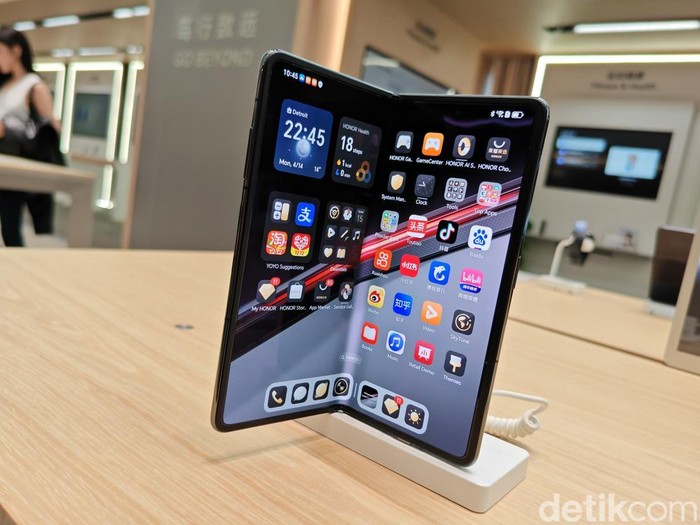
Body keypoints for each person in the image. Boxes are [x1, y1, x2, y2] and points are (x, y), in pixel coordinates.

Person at [0, 26, 60, 247]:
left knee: (11, 228)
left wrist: (9, 130)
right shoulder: (6, 84)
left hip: (19, 164)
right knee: (7, 227)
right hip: (4, 162)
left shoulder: (34, 85)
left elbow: (49, 130)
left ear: (16, 50)